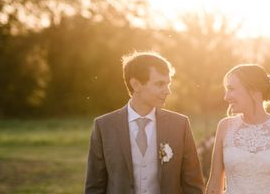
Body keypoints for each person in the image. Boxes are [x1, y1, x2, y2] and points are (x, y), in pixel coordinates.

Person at [85, 51, 204, 194]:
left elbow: (193, 185)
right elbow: (95, 186)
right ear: (136, 84)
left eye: (168, 84)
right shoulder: (104, 126)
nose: (167, 91)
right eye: (160, 84)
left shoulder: (180, 125)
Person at [205, 64, 270, 194]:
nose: (226, 97)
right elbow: (214, 184)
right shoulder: (224, 127)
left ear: (253, 90)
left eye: (231, 89)